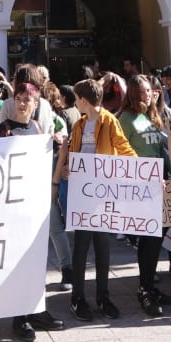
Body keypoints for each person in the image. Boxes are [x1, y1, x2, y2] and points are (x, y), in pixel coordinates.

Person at [0, 82, 68, 340]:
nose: (23, 103)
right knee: (17, 261)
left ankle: (37, 309)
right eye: (19, 99)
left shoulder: (36, 128)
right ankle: (19, 317)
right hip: (13, 204)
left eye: (28, 100)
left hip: (35, 201)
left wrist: (55, 143)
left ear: (36, 104)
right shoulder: (5, 129)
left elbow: (47, 158)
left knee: (36, 259)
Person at [56, 78, 135, 321]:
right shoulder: (79, 125)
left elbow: (123, 147)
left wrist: (144, 172)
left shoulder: (109, 120)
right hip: (84, 194)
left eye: (77, 100)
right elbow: (75, 154)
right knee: (81, 246)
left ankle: (103, 296)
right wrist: (67, 167)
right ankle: (78, 298)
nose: (75, 104)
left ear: (83, 100)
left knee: (102, 247)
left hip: (102, 194)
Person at [118, 75, 171, 316]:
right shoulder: (126, 118)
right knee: (148, 238)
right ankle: (145, 289)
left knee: (158, 237)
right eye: (143, 91)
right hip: (141, 187)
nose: (149, 94)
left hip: (161, 183)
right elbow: (123, 152)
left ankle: (150, 284)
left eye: (150, 90)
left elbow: (159, 148)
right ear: (133, 93)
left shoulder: (153, 116)